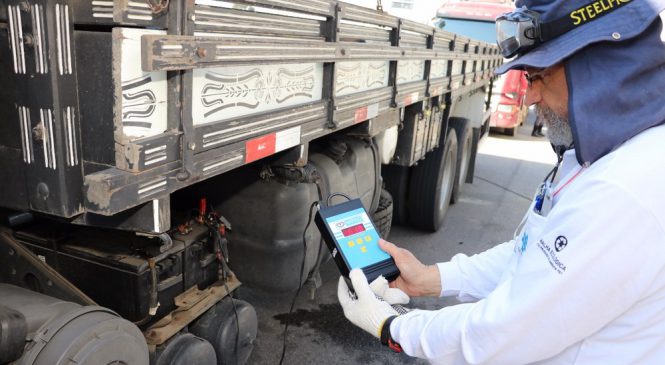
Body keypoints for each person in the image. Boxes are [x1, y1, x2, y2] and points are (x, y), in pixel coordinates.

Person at [338, 0, 665, 364]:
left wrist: (391, 327)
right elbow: (531, 252)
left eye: (540, 75)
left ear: (601, 70)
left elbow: (505, 333)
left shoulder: (623, 191)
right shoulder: (599, 158)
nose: (530, 97)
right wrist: (433, 278)